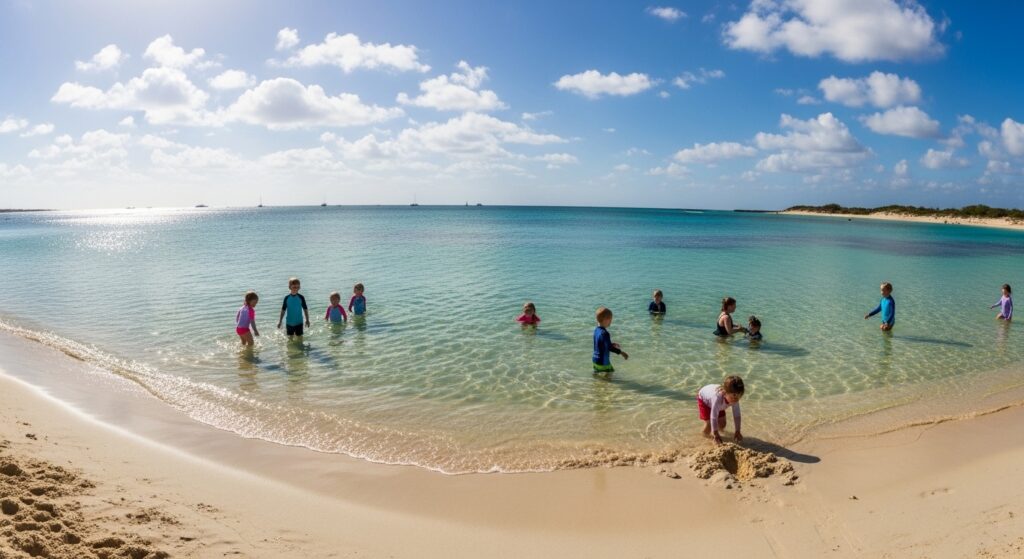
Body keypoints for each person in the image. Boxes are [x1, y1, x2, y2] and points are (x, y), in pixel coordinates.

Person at [698, 376, 744, 444]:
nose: (735, 400)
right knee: (709, 424)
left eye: (738, 397)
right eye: (733, 397)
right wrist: (715, 434)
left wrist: (737, 431)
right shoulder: (717, 398)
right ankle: (704, 437)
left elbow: (737, 415)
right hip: (705, 400)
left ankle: (719, 433)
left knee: (722, 424)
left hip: (719, 403)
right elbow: (713, 417)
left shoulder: (734, 398)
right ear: (725, 393)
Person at [593, 307, 628, 374]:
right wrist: (621, 353)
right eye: (610, 319)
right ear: (606, 320)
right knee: (610, 375)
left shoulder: (596, 330)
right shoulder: (605, 333)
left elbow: (599, 344)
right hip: (603, 362)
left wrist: (610, 344)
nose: (611, 321)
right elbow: (610, 348)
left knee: (598, 375)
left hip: (595, 360)